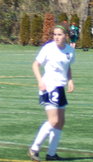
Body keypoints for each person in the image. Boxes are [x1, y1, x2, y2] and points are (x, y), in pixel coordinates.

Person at [28, 25, 75, 162]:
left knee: (60, 121)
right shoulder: (48, 48)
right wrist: (40, 81)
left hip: (60, 87)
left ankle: (51, 154)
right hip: (49, 86)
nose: (56, 37)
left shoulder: (70, 50)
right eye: (55, 34)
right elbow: (35, 65)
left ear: (66, 36)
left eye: (59, 34)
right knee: (53, 120)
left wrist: (70, 80)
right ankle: (34, 148)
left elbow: (67, 66)